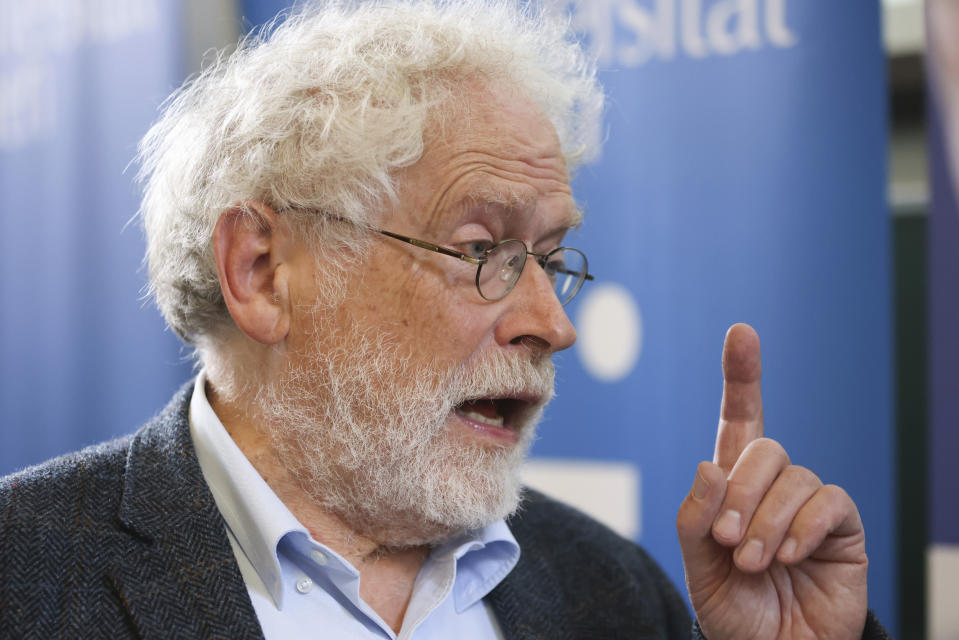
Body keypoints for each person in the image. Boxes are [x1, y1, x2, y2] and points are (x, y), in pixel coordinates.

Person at [0, 1, 889, 638]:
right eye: (481, 251)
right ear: (262, 272)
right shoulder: (25, 575)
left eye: (547, 259)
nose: (551, 323)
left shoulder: (607, 589)